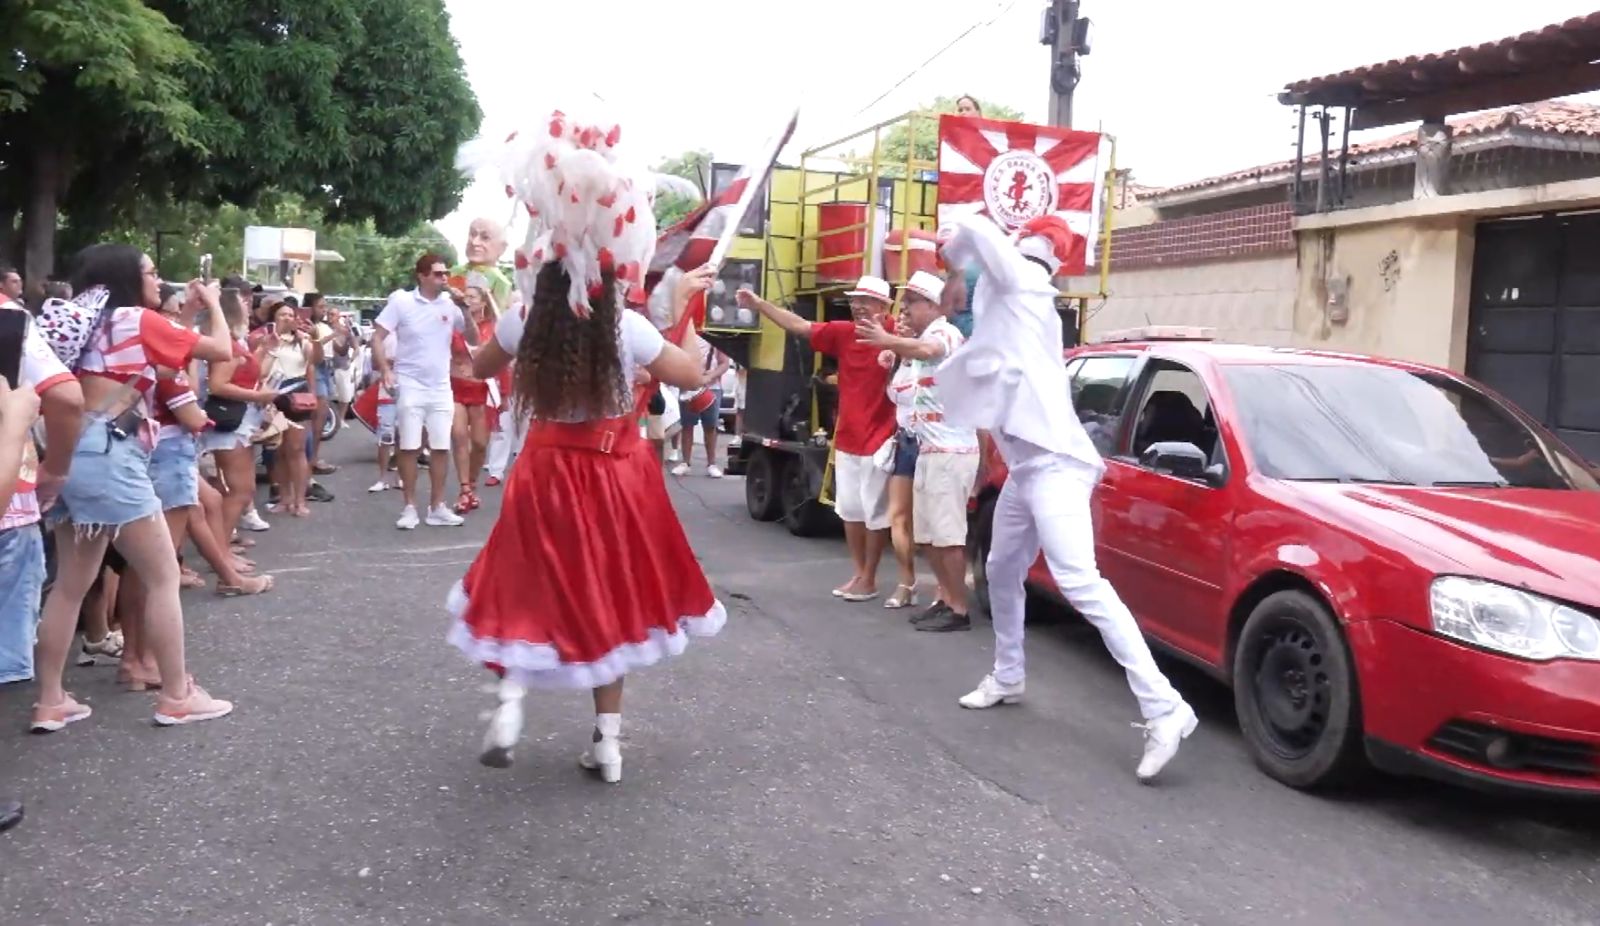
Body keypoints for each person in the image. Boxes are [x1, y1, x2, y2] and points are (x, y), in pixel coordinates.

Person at [449, 111, 724, 781]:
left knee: (524, 585)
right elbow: (695, 375)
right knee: (614, 599)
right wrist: (685, 306)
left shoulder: (524, 319)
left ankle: (509, 701)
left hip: (542, 470)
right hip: (615, 475)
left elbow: (476, 370)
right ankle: (607, 742)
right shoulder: (626, 328)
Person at [936, 214, 1197, 782]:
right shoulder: (1020, 304)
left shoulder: (1022, 286)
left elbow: (975, 231)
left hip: (1054, 466)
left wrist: (957, 259)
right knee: (1002, 569)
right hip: (1030, 467)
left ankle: (1165, 706)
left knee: (1081, 582)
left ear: (1023, 252)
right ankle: (1008, 675)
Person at [33, 243, 235, 730]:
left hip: (65, 452)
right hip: (110, 455)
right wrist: (212, 305)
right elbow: (222, 350)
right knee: (163, 575)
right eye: (149, 271)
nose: (157, 277)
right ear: (127, 277)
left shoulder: (83, 322)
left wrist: (182, 312)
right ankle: (177, 694)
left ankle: (50, 701)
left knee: (69, 586)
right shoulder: (136, 321)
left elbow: (159, 360)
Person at [736, 276, 898, 601]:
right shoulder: (843, 333)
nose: (858, 306)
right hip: (849, 437)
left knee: (875, 513)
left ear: (884, 307)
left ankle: (870, 577)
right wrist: (759, 305)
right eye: (855, 300)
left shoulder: (898, 333)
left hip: (882, 437)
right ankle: (859, 574)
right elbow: (799, 326)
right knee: (850, 509)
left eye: (866, 301)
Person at [858, 270, 978, 632]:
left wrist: (888, 340)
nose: (905, 309)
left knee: (947, 537)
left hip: (950, 452)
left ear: (931, 304)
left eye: (911, 302)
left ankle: (958, 609)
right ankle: (945, 600)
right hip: (929, 448)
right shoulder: (922, 339)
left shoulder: (944, 332)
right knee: (929, 537)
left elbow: (928, 350)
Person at [372, 254, 477, 529]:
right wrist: (385, 369)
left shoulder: (449, 304)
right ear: (422, 275)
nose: (444, 279)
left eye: (445, 273)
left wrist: (464, 308)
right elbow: (377, 337)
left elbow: (474, 339)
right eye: (438, 274)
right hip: (409, 382)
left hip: (441, 385)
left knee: (441, 446)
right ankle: (409, 507)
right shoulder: (402, 302)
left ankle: (437, 507)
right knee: (409, 445)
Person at [260, 301, 319, 517]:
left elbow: (313, 363)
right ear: (273, 318)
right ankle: (284, 498)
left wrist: (313, 394)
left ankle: (300, 500)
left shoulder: (301, 342)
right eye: (282, 314)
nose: (286, 318)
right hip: (272, 394)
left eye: (290, 314)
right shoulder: (266, 339)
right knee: (278, 451)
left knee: (296, 449)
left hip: (297, 395)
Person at [449, 286, 498, 512]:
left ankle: (472, 483)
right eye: (465, 296)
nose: (467, 300)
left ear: (482, 302)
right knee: (459, 435)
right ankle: (464, 489)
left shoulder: (491, 327)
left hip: (479, 389)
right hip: (455, 386)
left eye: (472, 297)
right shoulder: (455, 324)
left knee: (480, 444)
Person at [670, 332, 729, 478]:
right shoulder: (684, 335)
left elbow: (725, 363)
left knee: (710, 426)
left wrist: (711, 375)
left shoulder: (713, 336)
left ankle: (712, 463)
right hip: (688, 386)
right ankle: (685, 462)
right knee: (687, 425)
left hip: (712, 387)